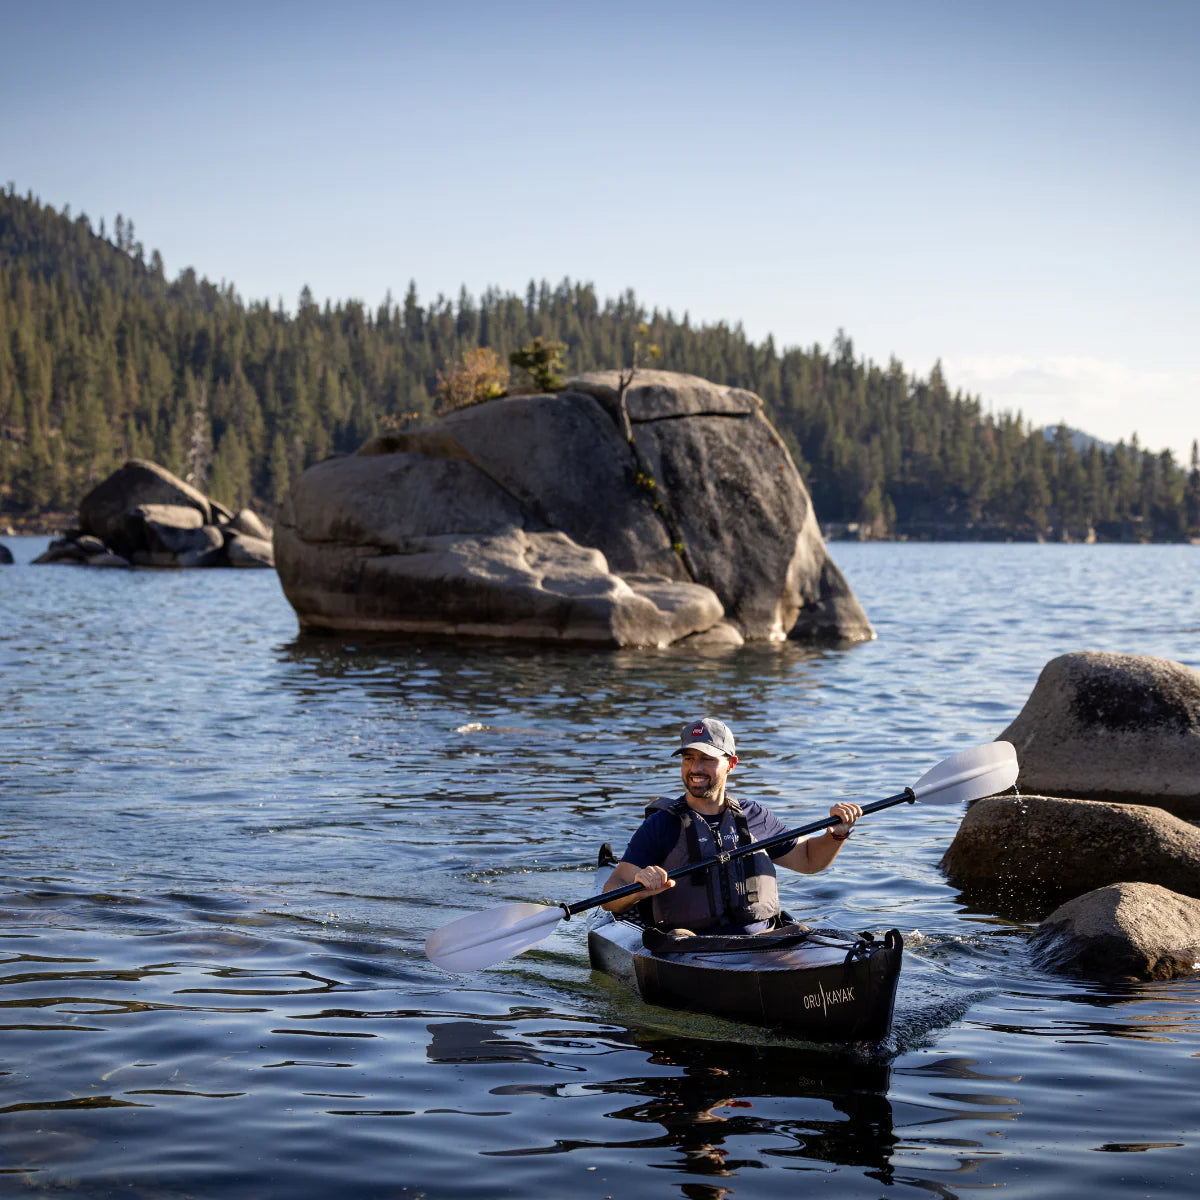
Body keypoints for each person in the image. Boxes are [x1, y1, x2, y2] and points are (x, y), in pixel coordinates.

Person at [601, 717, 862, 934]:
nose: (695, 768)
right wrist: (638, 888)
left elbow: (808, 859)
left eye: (707, 759)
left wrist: (837, 835)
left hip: (762, 942)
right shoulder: (663, 824)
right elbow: (611, 896)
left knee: (801, 933)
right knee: (680, 937)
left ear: (731, 765)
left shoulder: (754, 816)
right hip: (690, 948)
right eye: (688, 758)